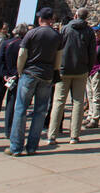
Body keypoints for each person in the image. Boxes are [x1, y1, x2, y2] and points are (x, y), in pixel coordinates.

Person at [7, 9, 61, 156]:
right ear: (51, 19)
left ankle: (16, 147)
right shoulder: (56, 36)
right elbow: (58, 58)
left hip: (29, 73)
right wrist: (54, 72)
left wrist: (19, 71)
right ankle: (32, 146)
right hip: (46, 75)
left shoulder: (32, 33)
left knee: (21, 109)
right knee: (40, 111)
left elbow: (22, 54)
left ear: (39, 19)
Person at [48, 8, 95, 147]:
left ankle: (52, 135)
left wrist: (56, 67)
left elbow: (58, 49)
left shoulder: (65, 29)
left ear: (75, 15)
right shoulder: (89, 31)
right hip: (81, 70)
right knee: (78, 102)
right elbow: (92, 53)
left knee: (58, 101)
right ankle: (74, 136)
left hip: (63, 69)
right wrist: (88, 68)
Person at [0, 24, 26, 140]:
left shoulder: (6, 43)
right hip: (15, 77)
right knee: (11, 105)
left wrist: (4, 74)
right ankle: (9, 131)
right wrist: (14, 75)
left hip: (1, 76)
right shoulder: (23, 45)